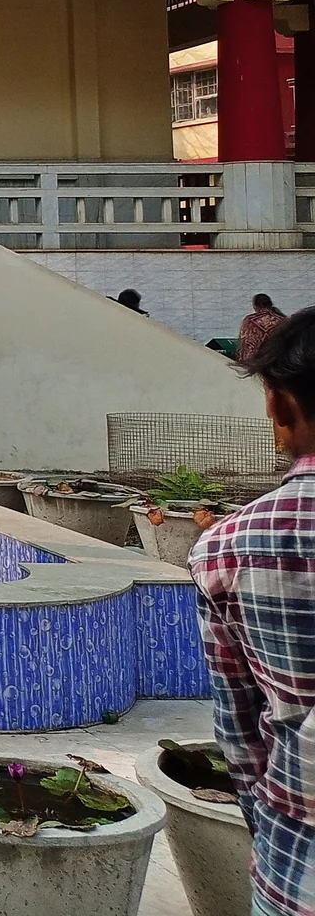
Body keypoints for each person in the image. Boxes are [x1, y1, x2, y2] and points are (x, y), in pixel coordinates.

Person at [194, 307, 315, 916]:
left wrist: (271, 826)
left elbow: (240, 737)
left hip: (299, 864)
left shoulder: (228, 548)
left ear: (280, 409)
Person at [243, 294, 290, 363]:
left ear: (254, 307)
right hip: (277, 362)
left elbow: (246, 343)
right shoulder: (282, 320)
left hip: (255, 363)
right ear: (271, 305)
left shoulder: (249, 321)